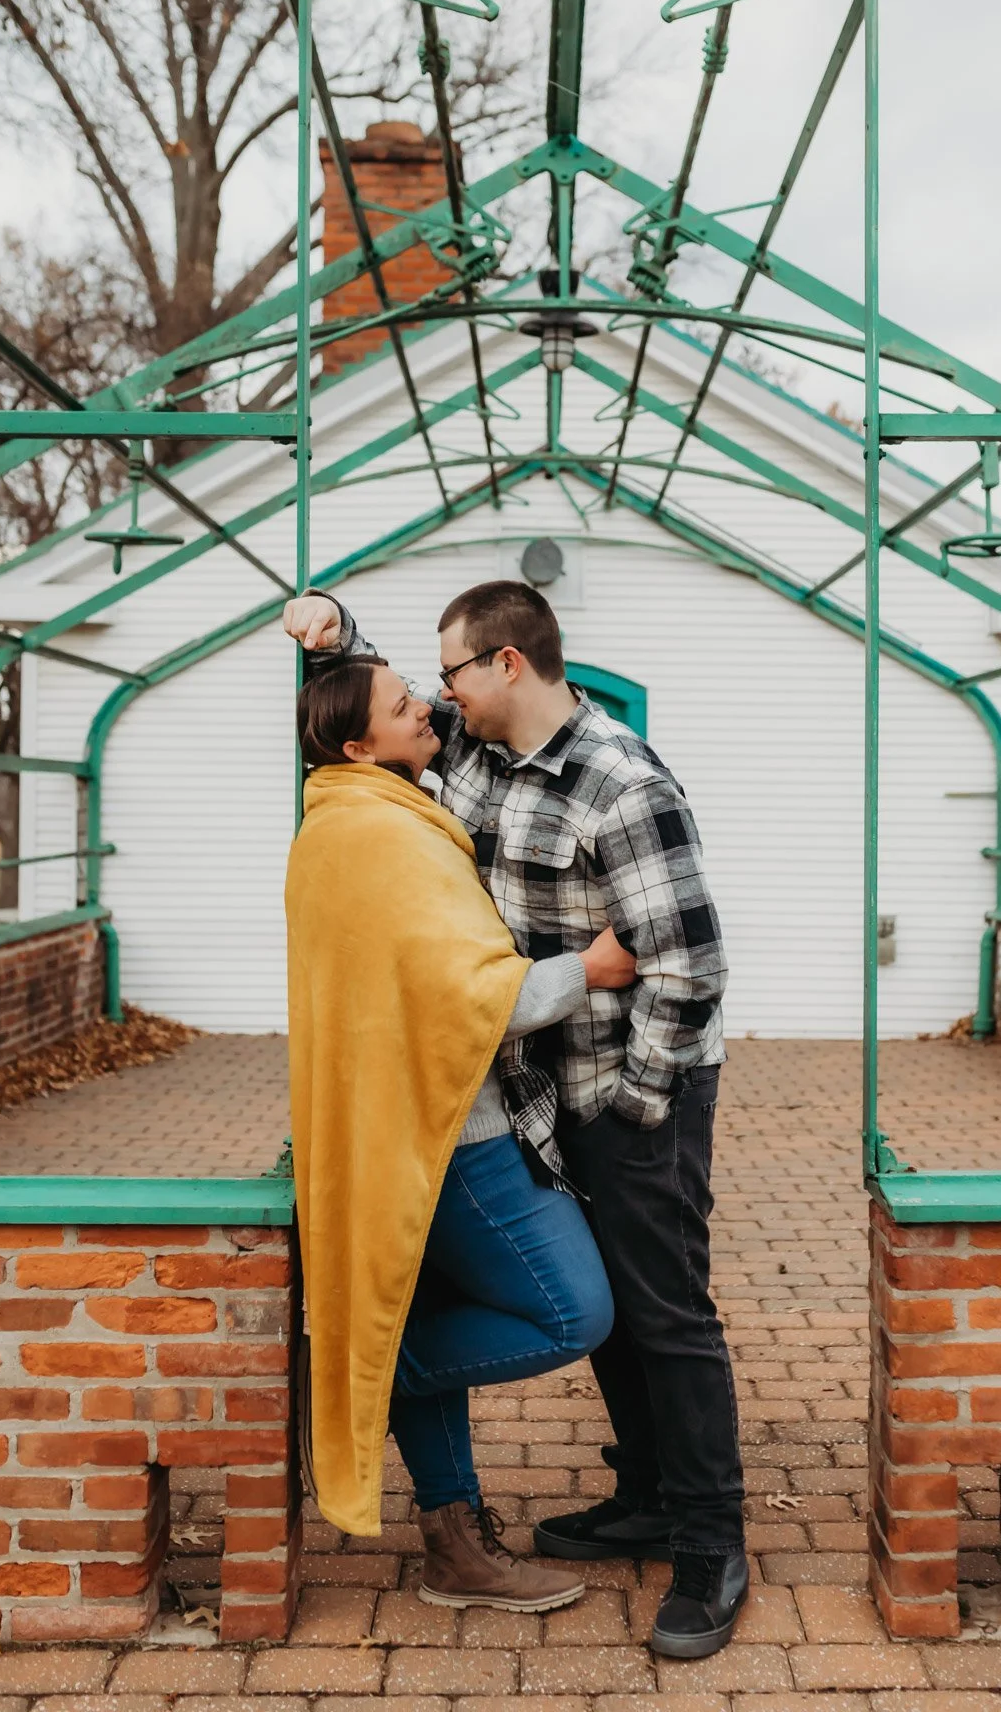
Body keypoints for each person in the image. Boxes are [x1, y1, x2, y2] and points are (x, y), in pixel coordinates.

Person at [284, 583, 747, 1660]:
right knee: (620, 1313)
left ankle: (710, 1549)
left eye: (451, 674)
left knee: (667, 1315)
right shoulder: (478, 755)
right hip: (545, 1086)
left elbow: (689, 966)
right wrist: (331, 629)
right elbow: (369, 714)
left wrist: (633, 1108)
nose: (436, 699)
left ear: (504, 665)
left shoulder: (622, 784)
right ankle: (644, 1497)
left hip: (639, 1090)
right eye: (431, 688)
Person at [287, 652, 634, 1614]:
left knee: (425, 1303)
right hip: (450, 1129)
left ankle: (454, 1546)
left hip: (406, 1122)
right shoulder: (374, 839)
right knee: (572, 1311)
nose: (427, 706)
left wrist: (335, 632)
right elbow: (469, 997)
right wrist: (589, 970)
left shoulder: (362, 812)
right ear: (357, 744)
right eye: (403, 705)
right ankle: (360, 1375)